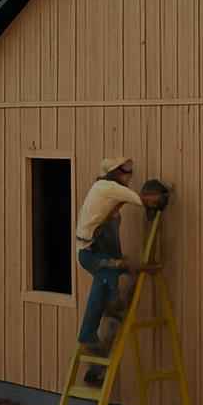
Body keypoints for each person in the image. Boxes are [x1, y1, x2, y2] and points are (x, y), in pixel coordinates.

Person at [74, 158, 166, 385]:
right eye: (126, 172)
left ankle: (94, 370)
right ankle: (91, 330)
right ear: (115, 173)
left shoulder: (107, 208)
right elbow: (141, 200)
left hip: (98, 256)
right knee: (108, 283)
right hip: (91, 255)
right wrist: (161, 199)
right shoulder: (108, 189)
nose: (129, 175)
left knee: (109, 309)